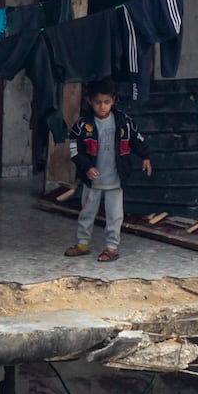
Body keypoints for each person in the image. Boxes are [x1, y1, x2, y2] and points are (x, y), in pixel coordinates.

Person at [64, 77, 153, 262]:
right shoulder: (82, 126)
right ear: (90, 101)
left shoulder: (124, 122)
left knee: (115, 216)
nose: (102, 107)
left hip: (115, 180)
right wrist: (86, 167)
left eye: (107, 102)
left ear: (113, 100)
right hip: (92, 181)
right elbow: (75, 151)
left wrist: (145, 157)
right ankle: (82, 244)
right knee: (87, 212)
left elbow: (137, 140)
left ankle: (111, 247)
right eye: (98, 102)